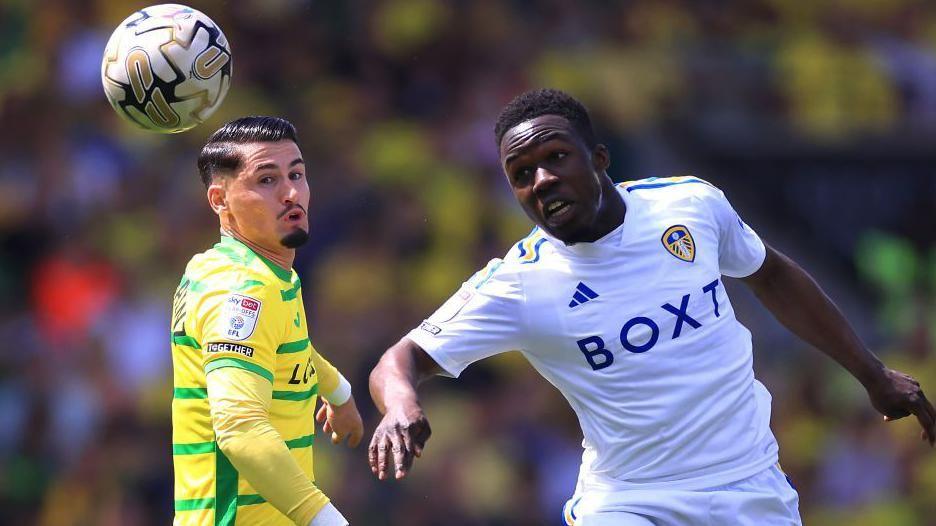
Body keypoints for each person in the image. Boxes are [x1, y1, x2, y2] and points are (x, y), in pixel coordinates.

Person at [367, 89, 936, 525]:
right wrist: (399, 404)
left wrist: (872, 373)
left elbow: (772, 275)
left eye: (556, 158)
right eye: (521, 175)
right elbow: (400, 359)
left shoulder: (689, 206)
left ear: (600, 158)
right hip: (631, 501)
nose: (541, 180)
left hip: (750, 486)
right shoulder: (520, 282)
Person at [170, 116, 363, 526]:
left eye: (297, 173)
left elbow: (276, 346)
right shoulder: (244, 292)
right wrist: (325, 520)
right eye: (267, 180)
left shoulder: (238, 269)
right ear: (220, 200)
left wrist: (336, 389)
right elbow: (239, 428)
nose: (292, 192)